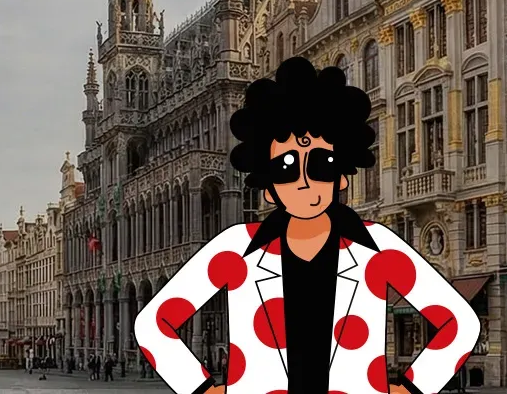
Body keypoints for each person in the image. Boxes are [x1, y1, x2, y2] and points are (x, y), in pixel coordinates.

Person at [134, 57, 480, 394]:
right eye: (286, 168)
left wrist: (411, 388)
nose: (303, 181)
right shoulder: (235, 250)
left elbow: (459, 324)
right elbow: (153, 325)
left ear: (341, 177)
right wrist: (203, 389)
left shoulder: (376, 247)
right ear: (268, 188)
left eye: (321, 164)